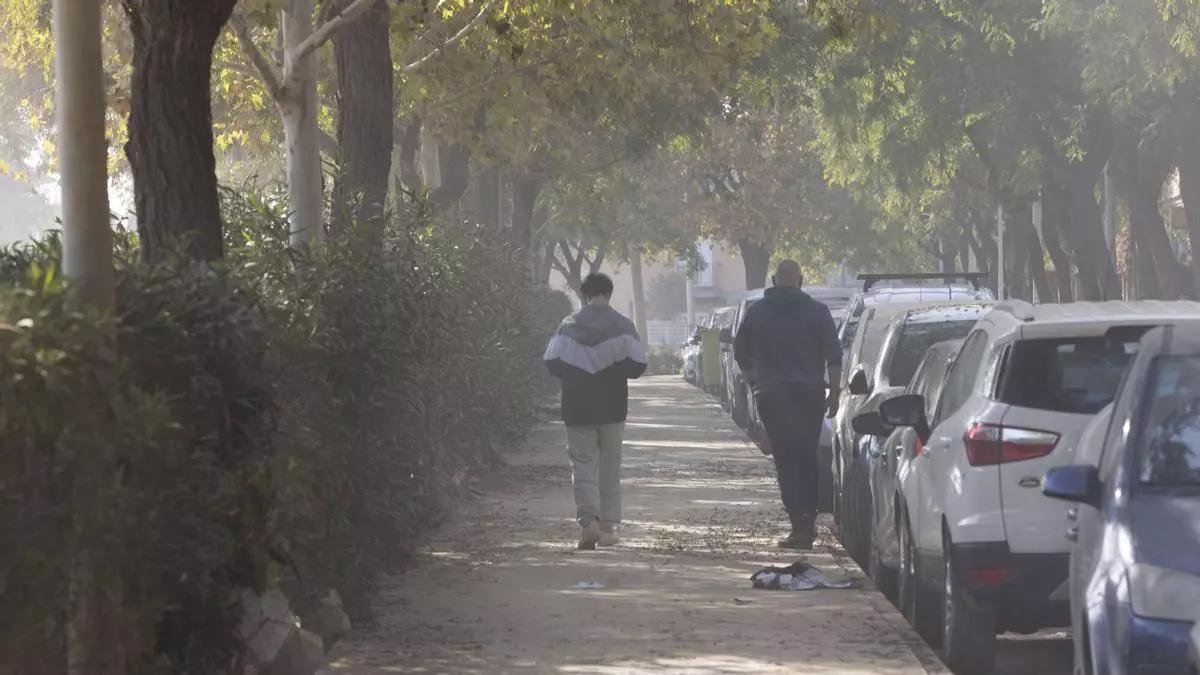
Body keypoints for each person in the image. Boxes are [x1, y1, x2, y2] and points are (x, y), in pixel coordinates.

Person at [734, 260, 841, 549]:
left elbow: (740, 350)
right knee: (807, 455)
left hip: (772, 394)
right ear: (801, 280)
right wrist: (834, 392)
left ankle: (799, 524)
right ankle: (807, 521)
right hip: (809, 393)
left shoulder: (758, 313)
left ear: (773, 280)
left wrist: (754, 381)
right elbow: (834, 355)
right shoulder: (818, 312)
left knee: (785, 457)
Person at [543, 273, 647, 549]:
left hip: (577, 405)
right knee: (610, 466)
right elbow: (638, 365)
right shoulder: (623, 325)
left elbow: (551, 360)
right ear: (609, 294)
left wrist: (575, 374)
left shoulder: (567, 325)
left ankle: (588, 522)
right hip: (613, 405)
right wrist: (613, 371)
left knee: (582, 465)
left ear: (585, 295)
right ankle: (608, 528)